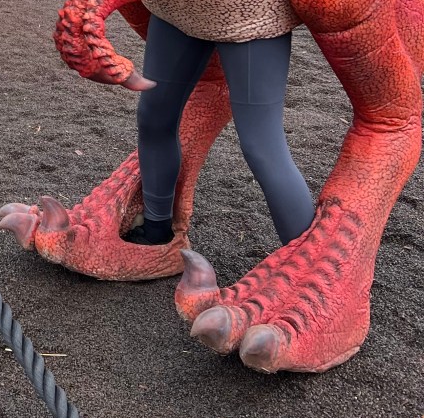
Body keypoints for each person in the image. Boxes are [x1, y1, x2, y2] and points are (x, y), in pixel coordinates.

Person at [123, 18, 316, 247]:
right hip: (177, 7)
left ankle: (308, 261)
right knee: (154, 118)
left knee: (262, 145)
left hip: (250, 15)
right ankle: (156, 228)